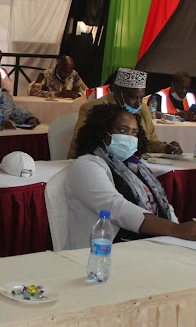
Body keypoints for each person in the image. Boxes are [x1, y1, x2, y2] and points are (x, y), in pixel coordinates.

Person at [65, 103, 196, 250]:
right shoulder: (86, 165)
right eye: (123, 130)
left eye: (134, 133)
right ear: (102, 132)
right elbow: (116, 208)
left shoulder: (135, 166)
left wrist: (177, 232)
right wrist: (176, 230)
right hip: (101, 252)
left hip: (147, 245)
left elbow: (162, 204)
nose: (130, 138)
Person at [68, 68, 182, 158]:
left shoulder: (143, 110)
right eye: (133, 97)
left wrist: (166, 148)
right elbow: (79, 147)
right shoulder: (93, 109)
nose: (138, 103)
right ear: (117, 92)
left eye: (141, 98)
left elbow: (150, 142)